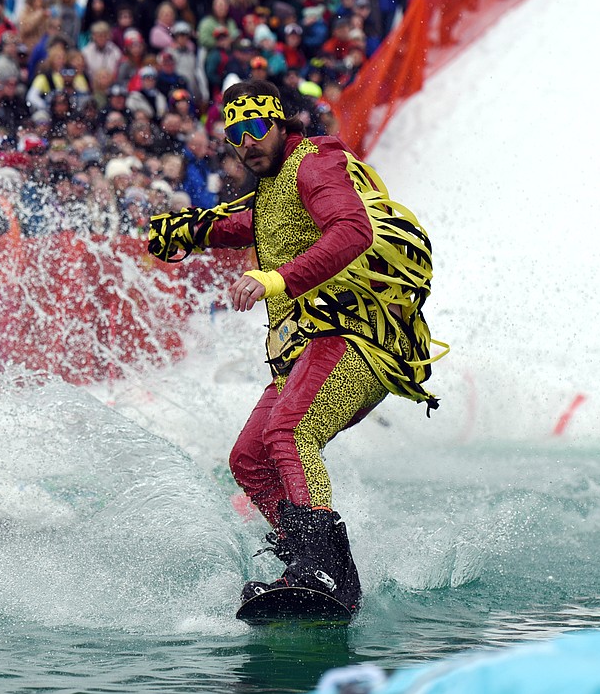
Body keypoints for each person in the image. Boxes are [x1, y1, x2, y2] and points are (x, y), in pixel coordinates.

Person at [147, 79, 443, 613]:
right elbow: (255, 223)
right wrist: (192, 233)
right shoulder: (274, 186)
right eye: (236, 134)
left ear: (282, 124)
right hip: (303, 354)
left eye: (257, 128)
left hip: (355, 340)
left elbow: (353, 231)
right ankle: (314, 567)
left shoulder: (315, 162)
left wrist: (276, 280)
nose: (247, 143)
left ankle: (321, 569)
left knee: (291, 431)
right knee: (249, 460)